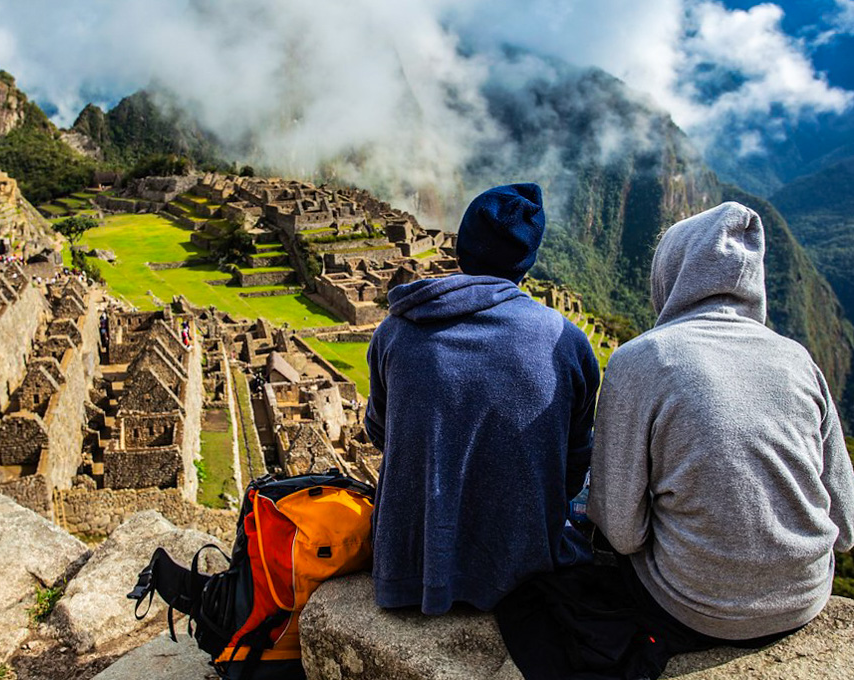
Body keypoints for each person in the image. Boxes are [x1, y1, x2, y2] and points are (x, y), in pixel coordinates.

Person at [589, 201, 854, 644]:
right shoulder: (798, 359)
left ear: (670, 275)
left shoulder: (640, 360)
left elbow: (622, 533)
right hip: (806, 599)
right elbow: (845, 526)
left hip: (691, 607)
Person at [365, 183, 600, 615]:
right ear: (526, 262)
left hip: (408, 569)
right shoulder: (566, 341)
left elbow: (381, 433)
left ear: (461, 247)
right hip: (524, 571)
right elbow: (574, 461)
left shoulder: (394, 332)